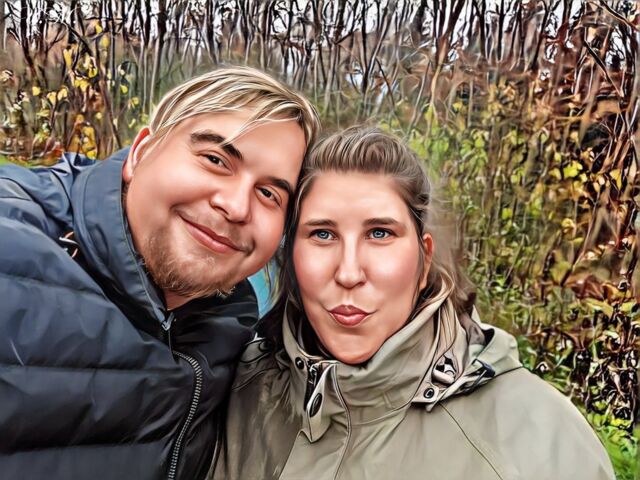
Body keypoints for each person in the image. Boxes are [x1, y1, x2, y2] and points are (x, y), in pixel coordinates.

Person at [211, 126, 615, 480]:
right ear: (291, 257)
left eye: (380, 234)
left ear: (424, 260)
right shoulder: (237, 393)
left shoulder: (540, 439)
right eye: (323, 235)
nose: (348, 272)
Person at [0, 66, 320, 479]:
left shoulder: (237, 331)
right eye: (215, 160)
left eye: (268, 193)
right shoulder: (15, 248)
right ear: (140, 152)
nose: (236, 206)